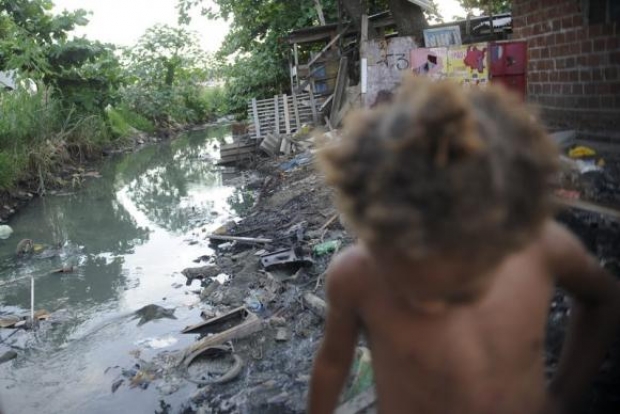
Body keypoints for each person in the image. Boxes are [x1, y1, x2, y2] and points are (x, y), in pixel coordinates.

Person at [308, 76, 620, 414]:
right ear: (378, 233)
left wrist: (563, 396)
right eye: (413, 267)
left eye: (470, 266)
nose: (437, 300)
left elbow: (602, 299)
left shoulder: (540, 245)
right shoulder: (356, 275)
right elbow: (331, 365)